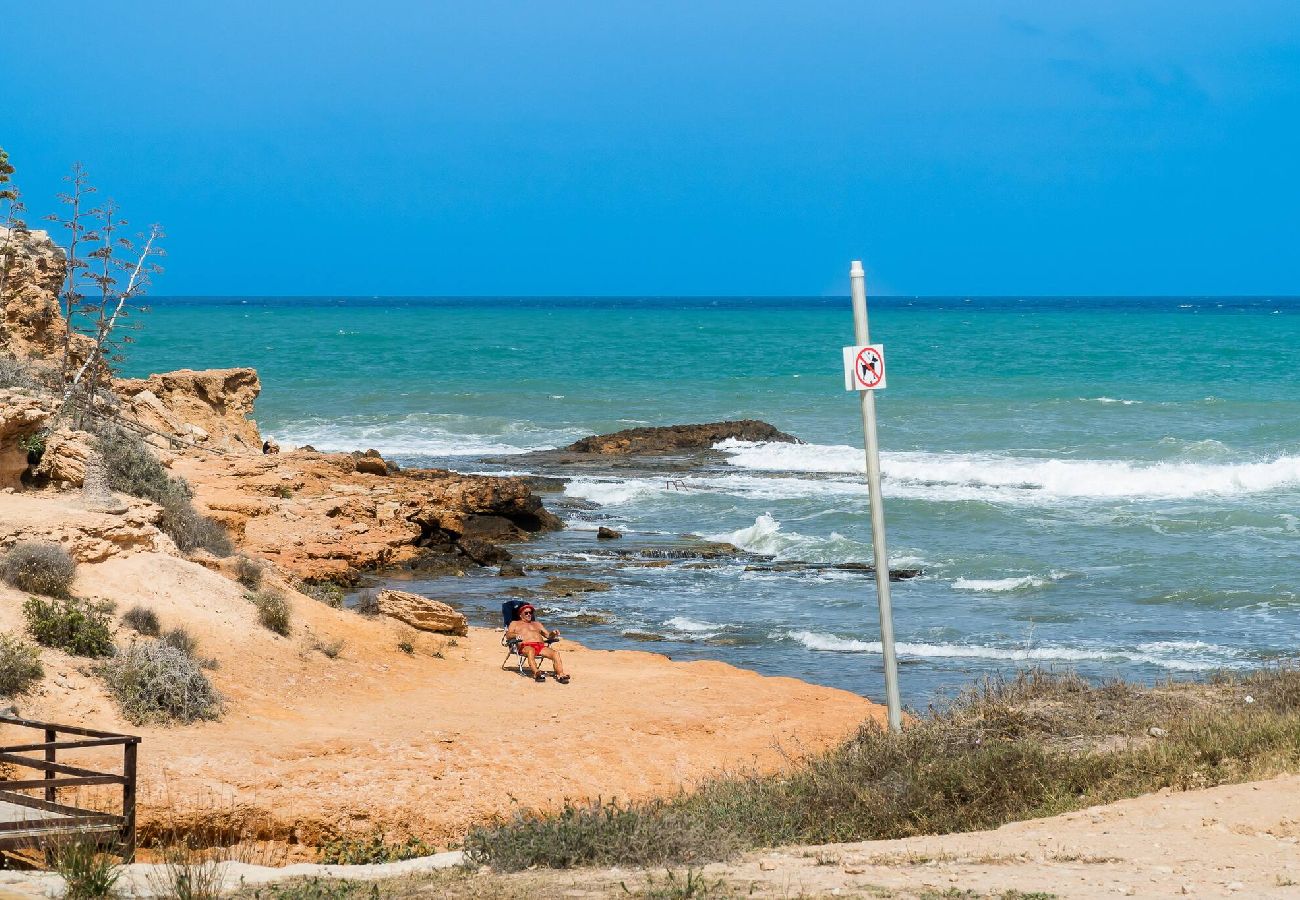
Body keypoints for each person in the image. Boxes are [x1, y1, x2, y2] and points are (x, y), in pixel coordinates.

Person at [505, 604, 570, 683]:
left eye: (530, 612)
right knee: (531, 650)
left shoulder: (537, 624)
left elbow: (548, 636)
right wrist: (516, 635)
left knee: (555, 653)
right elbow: (508, 635)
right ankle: (537, 673)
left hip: (540, 646)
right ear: (520, 615)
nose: (529, 614)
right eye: (526, 613)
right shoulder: (515, 623)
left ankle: (561, 674)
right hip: (525, 646)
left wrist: (553, 633)